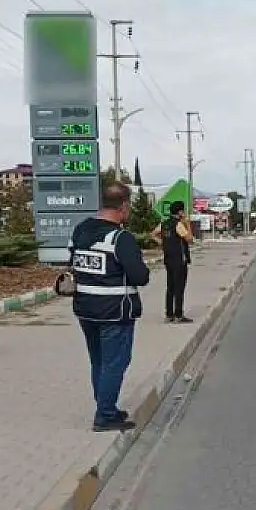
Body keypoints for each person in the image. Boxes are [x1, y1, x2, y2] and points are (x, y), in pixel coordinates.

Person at [68, 182, 150, 432]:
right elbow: (139, 277)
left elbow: (72, 262)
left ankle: (106, 406)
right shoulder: (120, 238)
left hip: (85, 308)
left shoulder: (81, 230)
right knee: (115, 363)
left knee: (99, 361)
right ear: (124, 206)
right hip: (115, 312)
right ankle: (104, 415)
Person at [151, 200, 194, 323]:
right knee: (179, 288)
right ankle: (179, 315)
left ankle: (169, 314)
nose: (184, 213)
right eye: (183, 211)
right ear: (180, 212)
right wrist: (188, 224)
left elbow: (153, 234)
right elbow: (189, 239)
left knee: (170, 287)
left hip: (168, 259)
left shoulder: (164, 223)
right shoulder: (178, 224)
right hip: (180, 260)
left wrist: (163, 243)